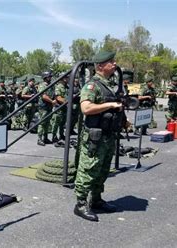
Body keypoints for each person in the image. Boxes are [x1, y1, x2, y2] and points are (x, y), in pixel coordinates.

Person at [74, 51, 125, 222]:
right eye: (111, 61)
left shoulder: (111, 85)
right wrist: (109, 104)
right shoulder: (92, 86)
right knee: (89, 169)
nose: (115, 63)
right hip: (95, 136)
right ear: (101, 66)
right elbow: (86, 108)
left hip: (109, 135)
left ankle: (96, 200)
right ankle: (80, 204)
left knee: (103, 169)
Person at [37, 71, 55, 146]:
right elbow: (43, 96)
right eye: (49, 77)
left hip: (49, 106)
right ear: (45, 77)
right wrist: (52, 101)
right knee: (42, 123)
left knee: (47, 123)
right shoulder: (42, 85)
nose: (50, 78)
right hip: (43, 107)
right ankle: (39, 139)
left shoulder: (51, 85)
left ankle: (45, 138)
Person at [51, 75, 68, 143]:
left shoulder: (66, 86)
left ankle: (61, 135)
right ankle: (54, 137)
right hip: (59, 107)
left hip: (64, 107)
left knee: (62, 123)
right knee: (56, 123)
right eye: (66, 78)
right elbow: (58, 97)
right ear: (63, 79)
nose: (68, 79)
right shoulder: (59, 87)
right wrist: (67, 101)